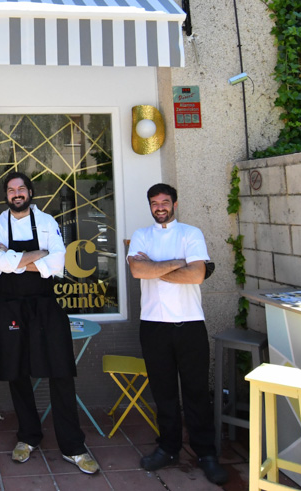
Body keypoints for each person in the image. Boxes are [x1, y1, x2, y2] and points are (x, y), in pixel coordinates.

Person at [0, 172, 99, 475]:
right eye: (11, 190)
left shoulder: (48, 221)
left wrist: (17, 260)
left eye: (21, 188)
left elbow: (57, 264)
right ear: (6, 195)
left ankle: (73, 446)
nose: (17, 193)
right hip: (9, 306)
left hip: (46, 306)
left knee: (61, 371)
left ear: (30, 191)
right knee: (17, 372)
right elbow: (1, 264)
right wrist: (38, 257)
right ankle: (28, 436)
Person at [127, 183, 229, 486]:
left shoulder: (190, 233)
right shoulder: (142, 235)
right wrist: (178, 264)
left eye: (165, 202)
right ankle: (168, 448)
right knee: (164, 393)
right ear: (150, 206)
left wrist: (154, 268)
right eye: (155, 203)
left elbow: (197, 274)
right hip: (153, 325)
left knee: (197, 392)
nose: (160, 207)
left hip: (190, 324)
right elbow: (136, 271)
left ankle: (206, 453)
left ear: (174, 203)